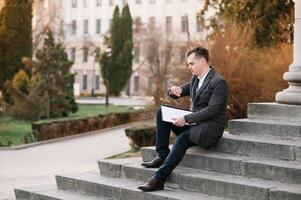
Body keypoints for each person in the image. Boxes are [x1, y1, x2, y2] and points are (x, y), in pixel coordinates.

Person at [137, 46, 228, 192]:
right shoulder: (195, 79)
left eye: (191, 63)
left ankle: (159, 179)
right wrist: (174, 91)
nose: (189, 67)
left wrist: (186, 119)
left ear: (203, 61)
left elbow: (212, 110)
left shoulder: (218, 82)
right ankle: (162, 155)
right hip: (195, 123)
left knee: (182, 138)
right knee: (162, 112)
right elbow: (179, 91)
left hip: (210, 129)